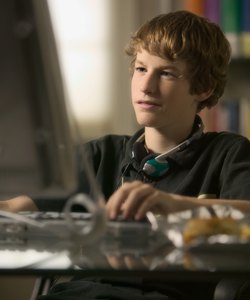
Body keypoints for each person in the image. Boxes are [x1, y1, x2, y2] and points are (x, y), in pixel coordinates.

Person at [1, 10, 250, 300]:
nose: (145, 86)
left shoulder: (228, 153)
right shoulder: (102, 153)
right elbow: (16, 207)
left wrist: (172, 206)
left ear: (204, 87)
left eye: (166, 73)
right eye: (141, 69)